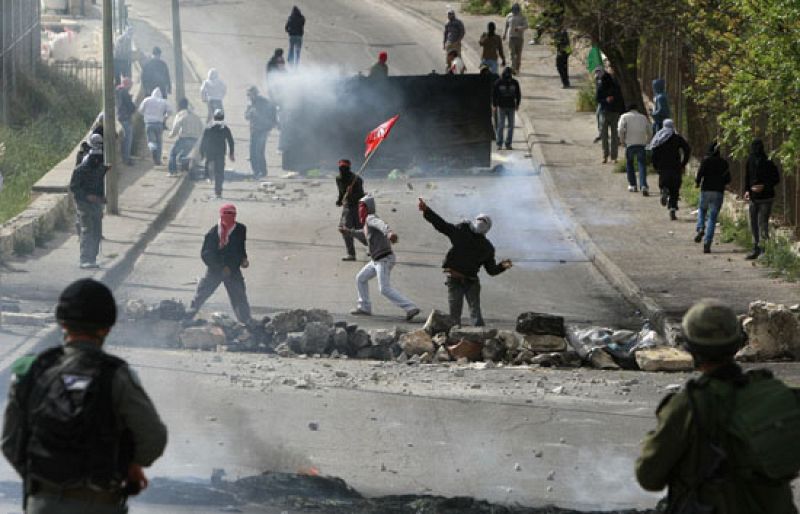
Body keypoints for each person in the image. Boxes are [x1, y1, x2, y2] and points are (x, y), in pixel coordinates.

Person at [1, 278, 168, 514]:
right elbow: (153, 437)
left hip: (42, 504)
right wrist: (131, 465)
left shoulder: (33, 370)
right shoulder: (116, 375)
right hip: (98, 504)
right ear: (107, 327)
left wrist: (43, 481)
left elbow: (10, 442)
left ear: (62, 323)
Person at [636, 299, 800, 514]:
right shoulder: (778, 394)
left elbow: (649, 478)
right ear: (737, 343)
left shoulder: (688, 406)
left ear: (691, 349)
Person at [418, 198, 512, 327]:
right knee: (455, 316)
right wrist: (427, 211)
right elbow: (442, 225)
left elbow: (491, 270)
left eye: (484, 222)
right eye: (480, 220)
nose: (481, 223)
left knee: (475, 314)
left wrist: (502, 266)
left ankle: (480, 339)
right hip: (454, 279)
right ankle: (454, 342)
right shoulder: (463, 231)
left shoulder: (486, 246)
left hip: (471, 282)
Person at [340, 195, 420, 321]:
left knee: (384, 288)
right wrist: (349, 232)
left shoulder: (371, 218)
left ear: (368, 208)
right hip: (376, 260)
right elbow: (364, 234)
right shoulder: (367, 223)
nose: (360, 210)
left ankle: (410, 307)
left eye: (362, 207)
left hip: (383, 259)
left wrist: (389, 233)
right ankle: (364, 307)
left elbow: (381, 225)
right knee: (361, 278)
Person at [186, 204, 252, 323]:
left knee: (239, 296)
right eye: (226, 214)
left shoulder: (241, 229)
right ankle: (186, 317)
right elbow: (206, 254)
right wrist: (221, 267)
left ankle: (246, 322)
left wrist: (243, 258)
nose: (229, 217)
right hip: (215, 270)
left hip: (233, 270)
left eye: (232, 214)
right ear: (221, 215)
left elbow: (241, 247)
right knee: (202, 295)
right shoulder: (212, 233)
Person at [69, 134, 108, 269]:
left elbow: (101, 185)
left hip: (96, 204)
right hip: (83, 203)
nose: (97, 160)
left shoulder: (101, 168)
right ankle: (85, 259)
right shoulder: (80, 169)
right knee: (87, 229)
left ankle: (92, 258)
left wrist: (102, 198)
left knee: (96, 230)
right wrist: (87, 197)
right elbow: (74, 187)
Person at [743, 139, 780, 260]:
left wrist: (764, 186)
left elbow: (776, 179)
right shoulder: (750, 160)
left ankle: (764, 249)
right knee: (753, 223)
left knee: (762, 223)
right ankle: (756, 248)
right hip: (754, 198)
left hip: (766, 197)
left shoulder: (768, 161)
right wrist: (747, 190)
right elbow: (747, 177)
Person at [648, 119, 691, 220]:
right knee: (675, 188)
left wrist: (655, 165)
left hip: (663, 166)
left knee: (664, 182)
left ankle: (664, 190)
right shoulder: (677, 138)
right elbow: (687, 149)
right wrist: (683, 163)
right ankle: (672, 207)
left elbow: (653, 152)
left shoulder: (659, 138)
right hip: (676, 166)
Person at [694, 142, 731, 253]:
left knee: (702, 209)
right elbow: (728, 179)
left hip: (706, 190)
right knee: (712, 218)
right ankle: (707, 242)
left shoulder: (706, 161)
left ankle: (700, 227)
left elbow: (700, 174)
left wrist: (697, 182)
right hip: (718, 192)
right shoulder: (724, 163)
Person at [335, 159, 367, 261]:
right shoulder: (338, 178)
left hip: (357, 207)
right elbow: (341, 192)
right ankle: (351, 254)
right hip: (347, 207)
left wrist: (352, 193)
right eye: (341, 168)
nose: (343, 170)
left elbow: (361, 195)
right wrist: (339, 200)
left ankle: (372, 246)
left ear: (349, 168)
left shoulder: (356, 179)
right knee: (345, 230)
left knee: (359, 231)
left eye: (345, 168)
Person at [200, 109, 235, 199]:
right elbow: (231, 141)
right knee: (219, 172)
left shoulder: (208, 128)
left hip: (210, 152)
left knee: (209, 167)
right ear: (223, 117)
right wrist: (231, 154)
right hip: (220, 153)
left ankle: (207, 177)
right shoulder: (225, 128)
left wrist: (202, 153)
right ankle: (218, 192)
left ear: (214, 117)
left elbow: (203, 141)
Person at [617, 104, 651, 195]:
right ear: (637, 109)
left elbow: (620, 129)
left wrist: (622, 141)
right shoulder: (643, 117)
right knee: (642, 165)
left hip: (630, 144)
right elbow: (649, 130)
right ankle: (643, 185)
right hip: (641, 144)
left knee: (630, 164)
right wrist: (647, 141)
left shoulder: (624, 117)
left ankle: (633, 185)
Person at [244, 86, 277, 179]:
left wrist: (271, 125)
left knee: (258, 151)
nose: (249, 96)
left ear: (255, 93)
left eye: (250, 94)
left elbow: (272, 112)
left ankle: (261, 171)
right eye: (248, 95)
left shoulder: (264, 102)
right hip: (254, 130)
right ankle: (257, 171)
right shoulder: (250, 104)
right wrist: (250, 110)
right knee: (253, 152)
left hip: (263, 130)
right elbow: (246, 116)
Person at [595, 67, 625, 163]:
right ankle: (614, 157)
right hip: (614, 113)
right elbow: (620, 100)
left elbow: (598, 99)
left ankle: (605, 156)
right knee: (614, 136)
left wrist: (605, 101)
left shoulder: (602, 86)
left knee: (605, 135)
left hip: (605, 112)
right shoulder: (615, 86)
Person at [168, 98, 203, 177]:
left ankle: (172, 172)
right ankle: (185, 170)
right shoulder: (195, 116)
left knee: (173, 154)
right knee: (184, 155)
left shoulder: (180, 114)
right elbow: (201, 128)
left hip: (184, 138)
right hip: (194, 140)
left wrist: (171, 135)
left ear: (179, 106)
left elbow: (176, 126)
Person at [138, 87, 172, 165]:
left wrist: (145, 115)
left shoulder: (147, 100)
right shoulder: (163, 101)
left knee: (151, 141)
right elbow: (170, 111)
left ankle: (153, 150)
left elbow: (140, 110)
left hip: (149, 123)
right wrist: (165, 117)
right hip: (159, 124)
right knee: (159, 142)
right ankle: (158, 160)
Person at [492, 67, 521, 150]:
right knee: (501, 125)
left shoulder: (515, 83)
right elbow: (494, 94)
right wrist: (494, 105)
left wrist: (517, 104)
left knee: (511, 126)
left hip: (511, 106)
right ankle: (499, 144)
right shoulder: (498, 82)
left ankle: (508, 144)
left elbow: (518, 94)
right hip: (501, 107)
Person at [503, 3, 528, 75]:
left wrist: (519, 28)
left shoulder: (522, 16)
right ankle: (513, 68)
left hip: (519, 38)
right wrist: (504, 34)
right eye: (513, 9)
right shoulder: (509, 16)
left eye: (516, 9)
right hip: (511, 37)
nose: (515, 11)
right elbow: (506, 25)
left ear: (518, 10)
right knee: (512, 54)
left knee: (518, 54)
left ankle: (517, 69)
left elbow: (526, 26)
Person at [116, 77, 136, 166]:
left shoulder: (118, 91)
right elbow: (129, 105)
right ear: (127, 85)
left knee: (125, 138)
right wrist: (133, 108)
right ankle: (126, 159)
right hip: (125, 117)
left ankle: (125, 157)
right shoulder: (124, 92)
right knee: (128, 139)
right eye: (130, 85)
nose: (131, 87)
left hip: (121, 116)